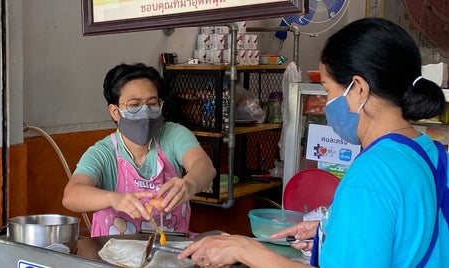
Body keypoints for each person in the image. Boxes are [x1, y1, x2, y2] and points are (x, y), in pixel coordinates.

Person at [179, 17, 448, 267]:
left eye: (328, 90)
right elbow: (404, 233)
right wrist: (331, 230)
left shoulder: (372, 173)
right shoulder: (430, 152)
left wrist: (245, 250)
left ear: (360, 89)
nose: (327, 103)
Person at [62, 63, 217, 237]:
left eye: (152, 103)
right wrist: (113, 199)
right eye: (134, 105)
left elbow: (203, 165)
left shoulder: (173, 135)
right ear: (115, 112)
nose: (145, 111)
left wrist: (190, 184)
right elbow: (71, 194)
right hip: (113, 255)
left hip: (171, 251)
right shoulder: (103, 153)